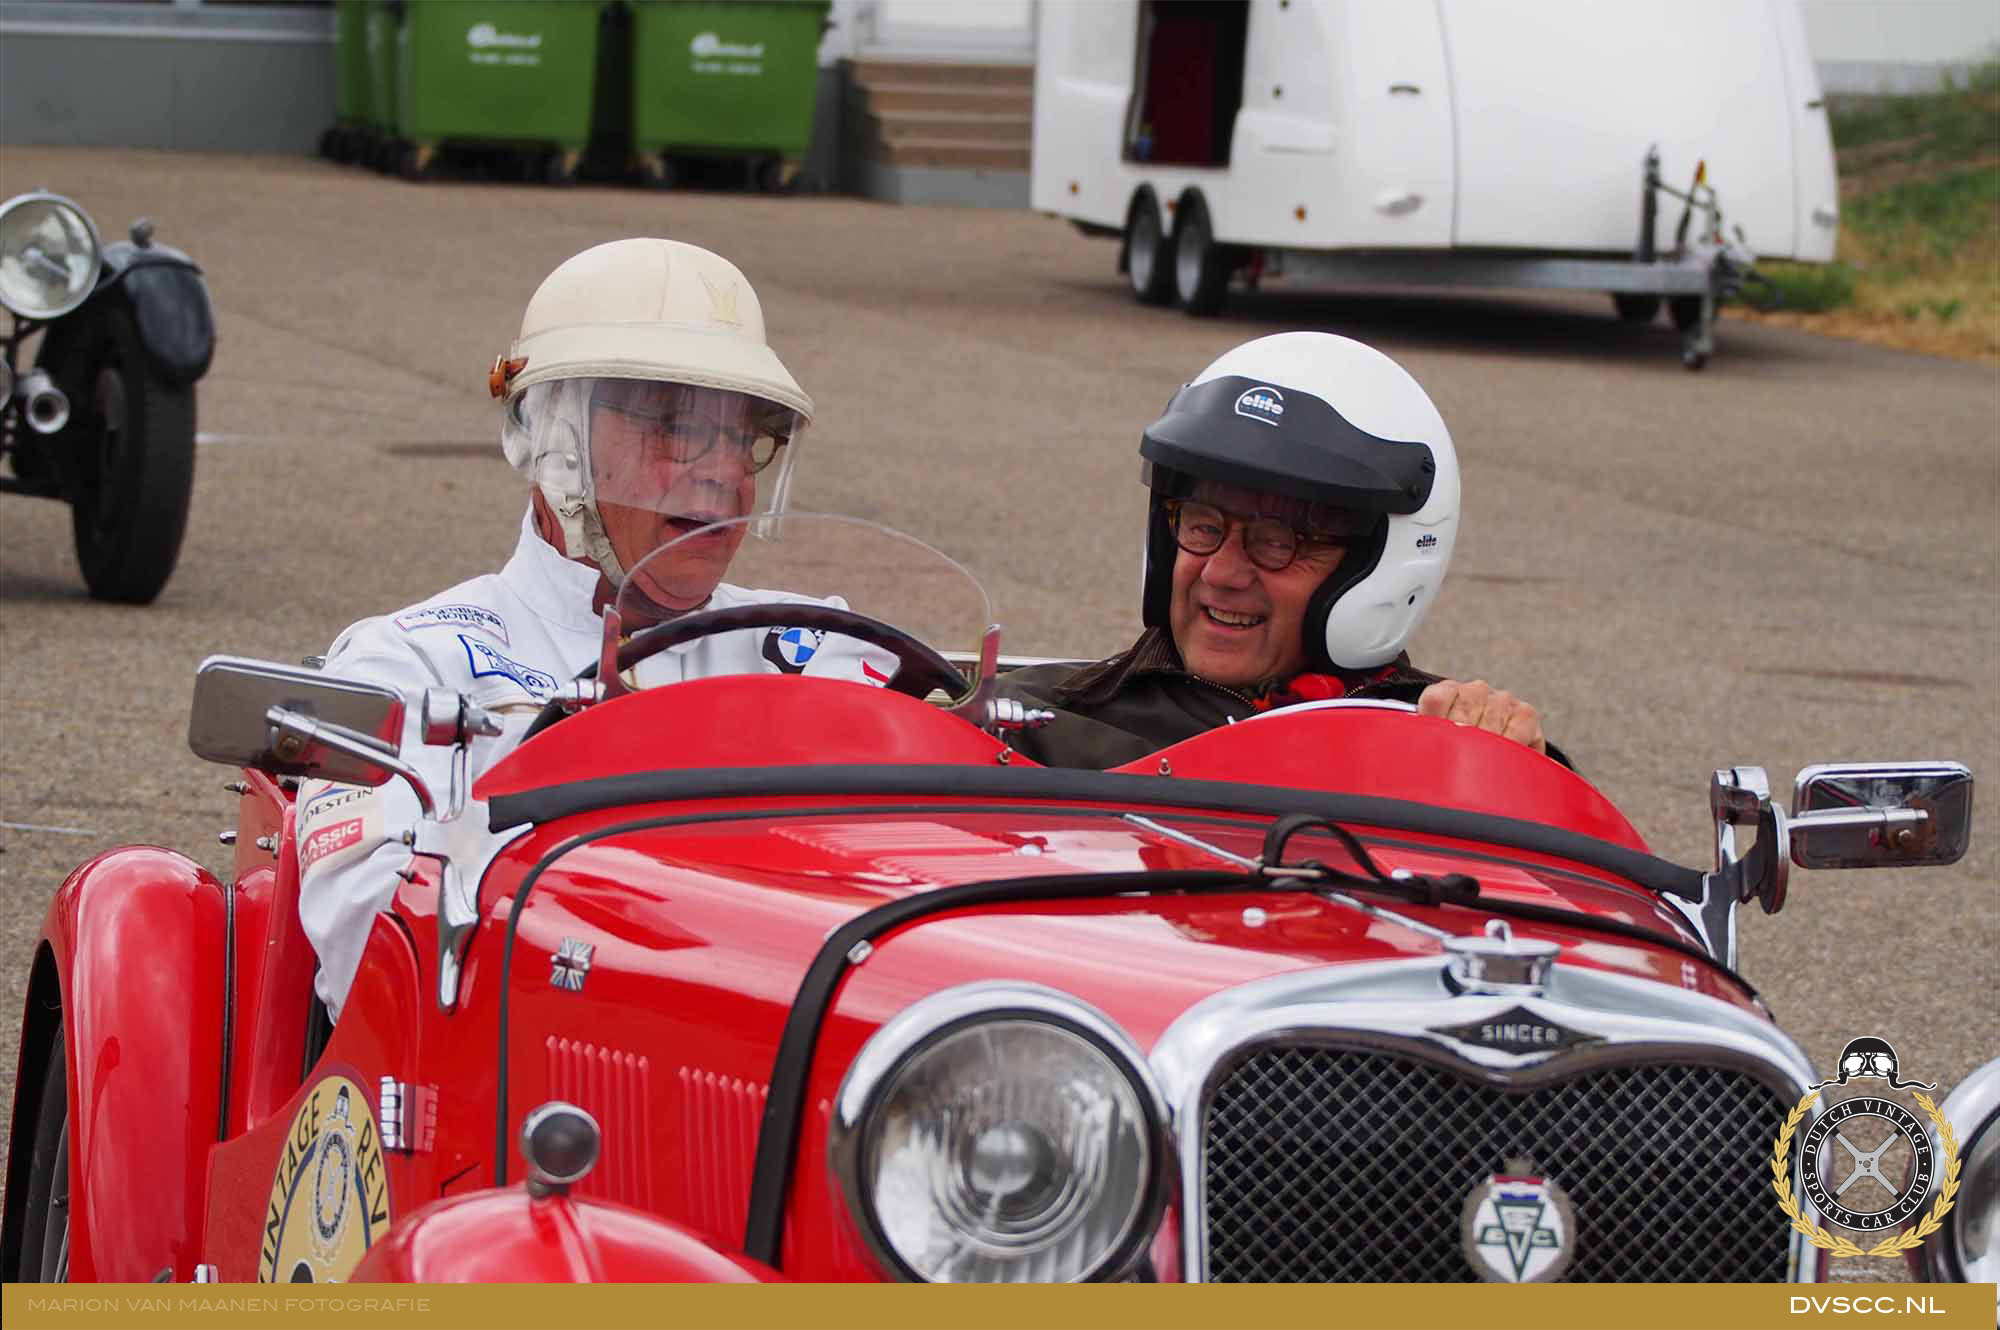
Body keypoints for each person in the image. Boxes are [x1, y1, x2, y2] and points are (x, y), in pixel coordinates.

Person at [295, 238, 886, 1019]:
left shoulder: (821, 651)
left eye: (746, 437)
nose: (725, 471)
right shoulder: (413, 662)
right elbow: (375, 957)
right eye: (677, 426)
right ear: (559, 444)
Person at [999, 331, 1555, 770]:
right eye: (1202, 525)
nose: (1221, 573)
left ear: (1374, 565)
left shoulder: (1445, 748)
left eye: (1275, 541)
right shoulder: (1027, 718)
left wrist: (1516, 766)